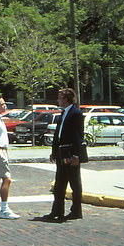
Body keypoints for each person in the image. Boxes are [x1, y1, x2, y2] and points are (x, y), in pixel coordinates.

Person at [42, 87, 84, 221]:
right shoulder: (62, 113)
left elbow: (78, 135)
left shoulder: (76, 113)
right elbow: (58, 134)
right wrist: (54, 151)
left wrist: (76, 155)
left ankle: (76, 211)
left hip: (71, 153)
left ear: (66, 99)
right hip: (61, 153)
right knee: (59, 184)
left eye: (60, 97)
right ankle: (57, 210)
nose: (58, 100)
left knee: (74, 183)